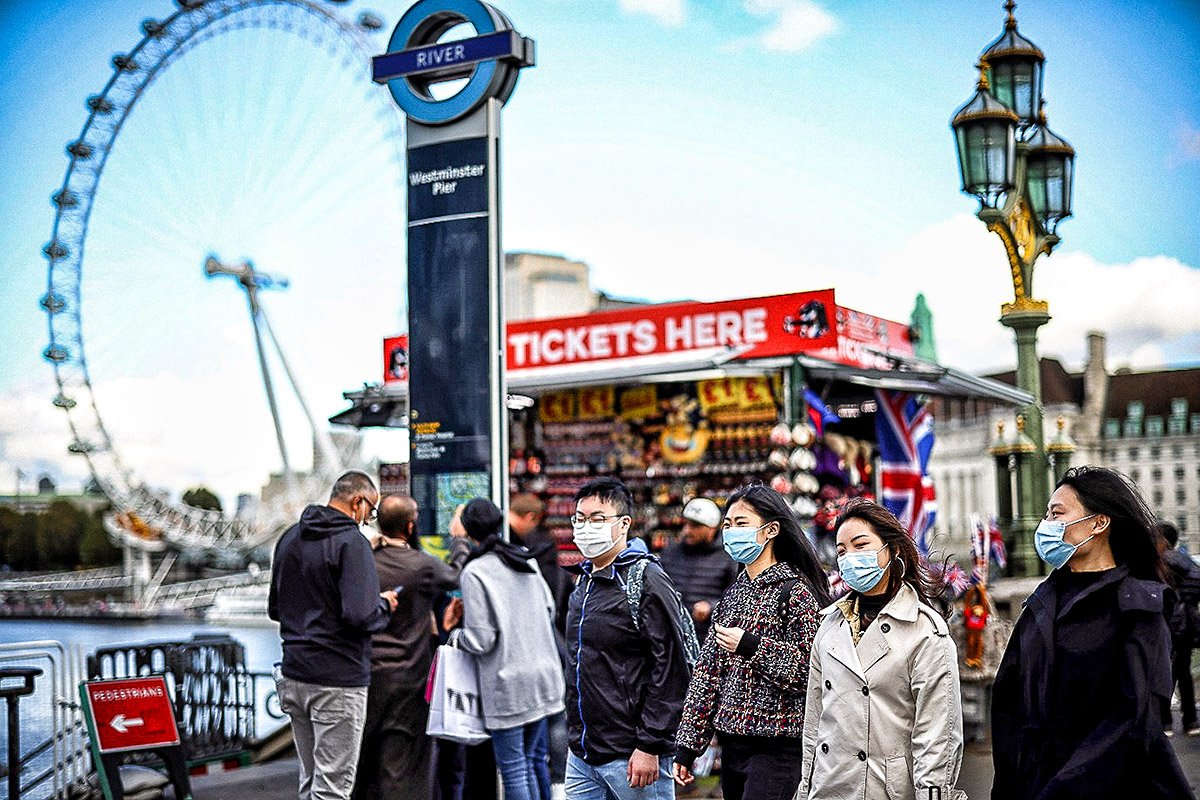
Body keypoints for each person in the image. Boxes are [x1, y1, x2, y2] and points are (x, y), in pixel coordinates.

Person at [991, 466, 1193, 798]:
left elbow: (1134, 719)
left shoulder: (1140, 606)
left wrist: (1060, 791)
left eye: (1057, 514)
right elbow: (1007, 703)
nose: (1046, 525)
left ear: (1099, 523)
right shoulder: (1042, 602)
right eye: (1046, 515)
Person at [799, 498, 964, 800]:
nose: (849, 557)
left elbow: (937, 737)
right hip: (829, 786)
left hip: (887, 789)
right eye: (842, 551)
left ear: (893, 550)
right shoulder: (829, 625)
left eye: (861, 545)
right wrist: (805, 787)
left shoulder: (925, 631)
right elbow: (815, 723)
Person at [673, 484, 830, 800]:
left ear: (771, 530)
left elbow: (810, 670)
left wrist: (752, 646)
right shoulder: (734, 594)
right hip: (733, 744)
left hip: (779, 747)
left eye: (741, 523)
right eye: (728, 525)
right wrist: (688, 745)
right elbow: (708, 674)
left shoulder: (795, 593)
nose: (731, 532)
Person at [269, 471, 399, 800]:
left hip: (294, 674)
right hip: (337, 679)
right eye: (371, 511)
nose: (369, 519)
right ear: (357, 501)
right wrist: (384, 605)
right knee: (332, 789)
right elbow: (361, 615)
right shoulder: (352, 543)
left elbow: (275, 608)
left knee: (310, 780)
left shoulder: (290, 537)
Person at [564, 477, 691, 800]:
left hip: (632, 756)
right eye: (579, 518)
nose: (585, 527)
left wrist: (650, 744)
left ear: (623, 525)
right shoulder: (584, 582)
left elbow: (672, 667)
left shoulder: (646, 579)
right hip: (582, 754)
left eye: (597, 519)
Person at [443, 498, 565, 800]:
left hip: (509, 686)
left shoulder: (475, 572)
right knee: (536, 761)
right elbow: (549, 610)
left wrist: (454, 635)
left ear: (469, 533)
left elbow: (482, 640)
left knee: (514, 769)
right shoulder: (525, 558)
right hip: (543, 678)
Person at [353, 495, 470, 800]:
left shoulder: (364, 560)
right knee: (403, 764)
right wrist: (459, 541)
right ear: (409, 526)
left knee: (363, 761)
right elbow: (455, 575)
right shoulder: (421, 565)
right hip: (410, 678)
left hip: (367, 675)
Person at [659, 497, 740, 644]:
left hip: (708, 640)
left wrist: (712, 606)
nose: (687, 531)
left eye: (695, 526)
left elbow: (738, 596)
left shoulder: (729, 557)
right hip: (673, 639)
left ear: (712, 528)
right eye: (686, 524)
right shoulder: (670, 553)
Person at [1157, 519, 1200, 736]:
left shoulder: (1164, 559)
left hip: (1172, 624)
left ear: (1163, 540)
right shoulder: (1183, 559)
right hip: (1185, 624)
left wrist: (1177, 597)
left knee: (1164, 673)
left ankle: (1165, 722)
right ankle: (1191, 721)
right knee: (1182, 673)